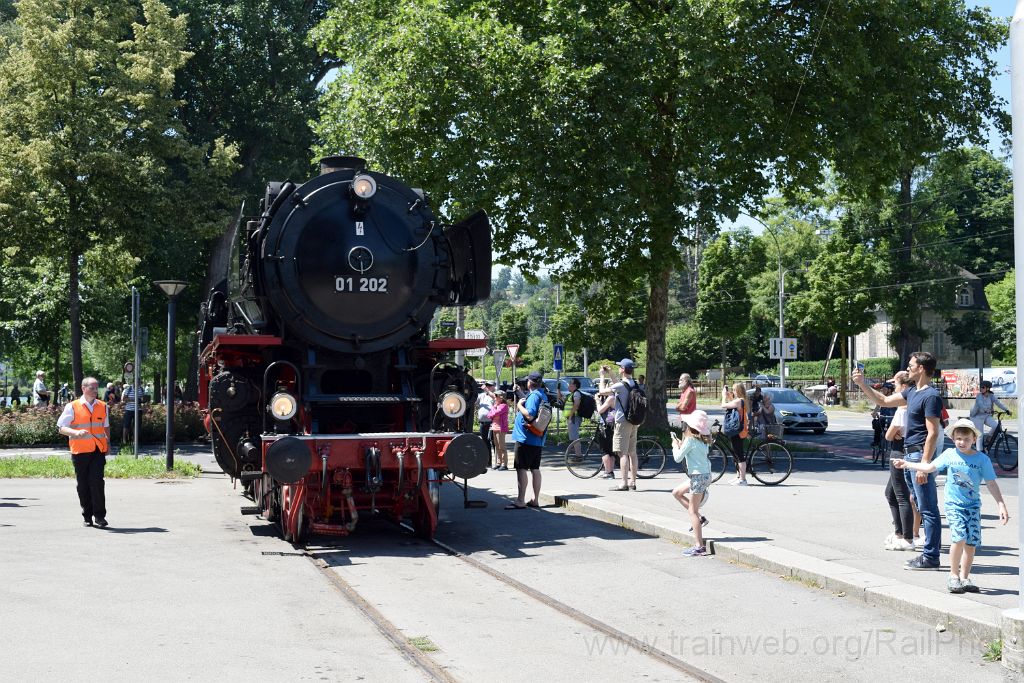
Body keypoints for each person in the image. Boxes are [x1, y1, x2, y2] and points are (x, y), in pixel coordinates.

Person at [893, 418, 1009, 593]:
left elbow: (991, 483)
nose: (962, 442)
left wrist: (1001, 504)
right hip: (954, 505)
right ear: (953, 438)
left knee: (971, 543)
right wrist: (907, 464)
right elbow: (930, 467)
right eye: (958, 439)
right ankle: (953, 576)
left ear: (973, 439)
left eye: (966, 439)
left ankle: (964, 577)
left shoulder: (981, 459)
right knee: (959, 537)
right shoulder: (949, 454)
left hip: (973, 507)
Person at [855, 351, 943, 570]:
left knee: (928, 509)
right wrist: (862, 384)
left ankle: (931, 557)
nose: (908, 368)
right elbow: (883, 401)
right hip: (908, 455)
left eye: (911, 364)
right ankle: (927, 555)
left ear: (921, 368)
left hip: (917, 456)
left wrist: (924, 464)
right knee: (919, 504)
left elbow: (932, 433)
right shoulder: (912, 392)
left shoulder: (930, 395)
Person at [56, 377, 110, 528]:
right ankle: (87, 515)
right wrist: (75, 432)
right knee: (83, 485)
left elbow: (105, 427)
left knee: (97, 482)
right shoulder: (72, 407)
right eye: (92, 388)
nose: (95, 391)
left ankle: (100, 516)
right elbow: (60, 427)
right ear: (83, 388)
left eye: (97, 388)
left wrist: (108, 443)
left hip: (98, 450)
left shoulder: (103, 406)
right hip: (80, 451)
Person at [671, 410, 714, 557]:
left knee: (692, 511)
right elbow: (695, 453)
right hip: (704, 475)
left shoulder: (690, 440)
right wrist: (682, 444)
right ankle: (700, 519)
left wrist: (674, 446)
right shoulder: (703, 440)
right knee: (676, 492)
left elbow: (677, 458)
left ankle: (699, 546)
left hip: (697, 477)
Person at [883, 372, 916, 551]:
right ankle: (899, 533)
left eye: (895, 385)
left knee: (901, 495)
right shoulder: (912, 406)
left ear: (903, 387)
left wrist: (891, 432)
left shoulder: (902, 409)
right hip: (904, 449)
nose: (894, 389)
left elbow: (889, 435)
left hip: (898, 450)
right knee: (891, 493)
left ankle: (907, 537)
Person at [507, 370, 547, 509]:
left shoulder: (534, 396)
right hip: (537, 438)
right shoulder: (541, 395)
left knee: (521, 468)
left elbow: (529, 415)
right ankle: (535, 500)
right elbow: (532, 406)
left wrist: (518, 406)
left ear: (530, 382)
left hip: (525, 438)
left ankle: (520, 500)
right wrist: (520, 394)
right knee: (535, 468)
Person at [600, 358, 640, 492]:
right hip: (634, 421)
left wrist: (602, 376)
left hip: (622, 422)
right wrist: (611, 373)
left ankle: (623, 483)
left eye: (619, 367)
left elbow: (602, 391)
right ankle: (632, 482)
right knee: (632, 453)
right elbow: (620, 385)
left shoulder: (621, 386)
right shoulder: (634, 384)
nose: (618, 369)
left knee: (622, 453)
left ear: (622, 369)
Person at [721, 382, 750, 485]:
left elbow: (723, 405)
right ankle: (738, 477)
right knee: (736, 455)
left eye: (733, 390)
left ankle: (743, 479)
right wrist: (729, 397)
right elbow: (732, 405)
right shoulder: (741, 401)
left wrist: (723, 396)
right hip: (739, 430)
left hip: (738, 431)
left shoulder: (739, 401)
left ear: (737, 391)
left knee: (739, 455)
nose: (732, 391)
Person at [970, 380, 1009, 448]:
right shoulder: (979, 396)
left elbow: (998, 403)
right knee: (980, 435)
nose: (981, 389)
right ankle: (980, 452)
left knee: (996, 426)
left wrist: (1006, 410)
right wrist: (987, 410)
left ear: (987, 388)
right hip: (977, 417)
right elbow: (980, 404)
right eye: (980, 387)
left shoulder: (991, 396)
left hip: (986, 416)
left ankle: (989, 437)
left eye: (982, 387)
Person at [487, 391, 510, 470]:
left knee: (502, 446)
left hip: (501, 428)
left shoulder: (504, 406)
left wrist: (494, 408)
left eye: (496, 396)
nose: (495, 398)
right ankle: (498, 463)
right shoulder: (496, 405)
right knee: (497, 446)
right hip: (494, 427)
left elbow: (495, 413)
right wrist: (494, 408)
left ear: (501, 397)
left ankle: (504, 464)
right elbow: (489, 415)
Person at [564, 378, 583, 460]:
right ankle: (576, 452)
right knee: (574, 436)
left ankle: (578, 456)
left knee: (575, 437)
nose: (568, 385)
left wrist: (571, 416)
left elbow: (576, 405)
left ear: (574, 385)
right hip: (573, 417)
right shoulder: (572, 394)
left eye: (570, 383)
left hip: (574, 418)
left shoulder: (576, 394)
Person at [476, 380, 495, 454]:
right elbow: (474, 403)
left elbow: (494, 397)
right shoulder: (481, 395)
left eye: (490, 386)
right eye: (487, 385)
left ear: (494, 387)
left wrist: (486, 390)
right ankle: (488, 461)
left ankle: (497, 461)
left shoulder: (496, 395)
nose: (488, 387)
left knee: (494, 442)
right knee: (484, 442)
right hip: (483, 422)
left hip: (492, 422)